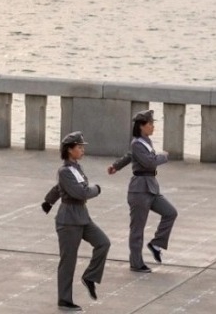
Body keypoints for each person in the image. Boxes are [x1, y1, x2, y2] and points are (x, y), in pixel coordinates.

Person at [107, 110, 177, 272]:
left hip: (151, 187)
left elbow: (129, 156)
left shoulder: (145, 142)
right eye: (150, 124)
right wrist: (164, 156)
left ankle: (157, 244)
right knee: (137, 229)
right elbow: (148, 162)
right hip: (139, 190)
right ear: (141, 126)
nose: (153, 127)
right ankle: (136, 263)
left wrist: (115, 166)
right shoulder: (137, 143)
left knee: (170, 213)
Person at [53, 131, 110, 311]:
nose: (82, 150)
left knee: (103, 243)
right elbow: (81, 192)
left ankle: (90, 277)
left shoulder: (76, 168)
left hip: (82, 216)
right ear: (70, 150)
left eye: (82, 147)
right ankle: (64, 299)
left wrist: (48, 201)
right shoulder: (64, 172)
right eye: (79, 147)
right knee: (68, 261)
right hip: (69, 220)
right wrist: (97, 189)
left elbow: (74, 188)